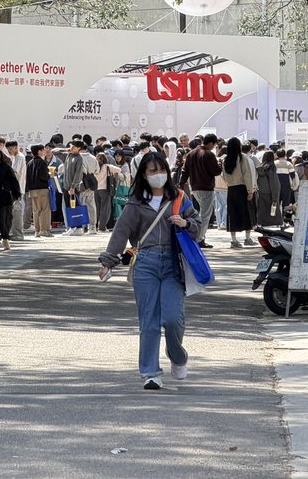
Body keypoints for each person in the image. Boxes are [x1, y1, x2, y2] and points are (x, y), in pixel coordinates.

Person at [98, 151, 201, 390]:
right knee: (149, 321)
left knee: (174, 318)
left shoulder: (180, 198)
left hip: (174, 263)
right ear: (144, 175)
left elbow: (198, 225)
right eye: (152, 171)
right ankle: (151, 372)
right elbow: (121, 232)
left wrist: (186, 223)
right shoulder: (136, 202)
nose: (158, 175)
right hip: (146, 262)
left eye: (161, 169)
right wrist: (108, 261)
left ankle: (178, 356)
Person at [183, 134, 221, 250]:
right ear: (212, 143)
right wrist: (220, 165)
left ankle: (199, 236)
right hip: (206, 187)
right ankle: (199, 238)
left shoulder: (191, 153)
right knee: (205, 215)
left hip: (194, 187)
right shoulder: (208, 154)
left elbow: (185, 171)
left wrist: (181, 183)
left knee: (201, 213)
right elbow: (216, 171)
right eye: (214, 145)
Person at [222, 136, 257, 248]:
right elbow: (247, 175)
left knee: (233, 214)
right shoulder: (243, 159)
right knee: (246, 213)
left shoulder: (225, 160)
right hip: (242, 189)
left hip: (231, 189)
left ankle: (234, 240)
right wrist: (250, 191)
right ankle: (247, 238)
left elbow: (224, 176)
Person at [25, 144, 52, 237]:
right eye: (43, 150)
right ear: (39, 151)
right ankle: (44, 230)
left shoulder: (29, 163)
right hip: (42, 189)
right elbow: (44, 176)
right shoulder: (42, 162)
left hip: (32, 190)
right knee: (45, 210)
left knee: (36, 210)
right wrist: (49, 175)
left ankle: (37, 230)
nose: (44, 151)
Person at [255, 149, 283, 228]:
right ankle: (278, 222)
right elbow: (274, 182)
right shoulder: (271, 167)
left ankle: (262, 222)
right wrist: (275, 196)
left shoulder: (260, 168)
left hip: (261, 190)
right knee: (273, 208)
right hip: (270, 191)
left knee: (263, 209)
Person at [6, 140, 27, 241]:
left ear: (16, 147)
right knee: (15, 211)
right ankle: (15, 232)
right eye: (8, 149)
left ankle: (18, 233)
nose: (9, 151)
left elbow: (14, 172)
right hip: (16, 188)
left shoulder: (19, 157)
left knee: (17, 212)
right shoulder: (15, 157)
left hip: (17, 188)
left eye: (11, 149)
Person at [94, 152, 120, 232]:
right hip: (105, 189)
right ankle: (102, 227)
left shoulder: (94, 167)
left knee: (97, 208)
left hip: (95, 189)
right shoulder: (108, 167)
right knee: (105, 209)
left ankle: (95, 226)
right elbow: (119, 170)